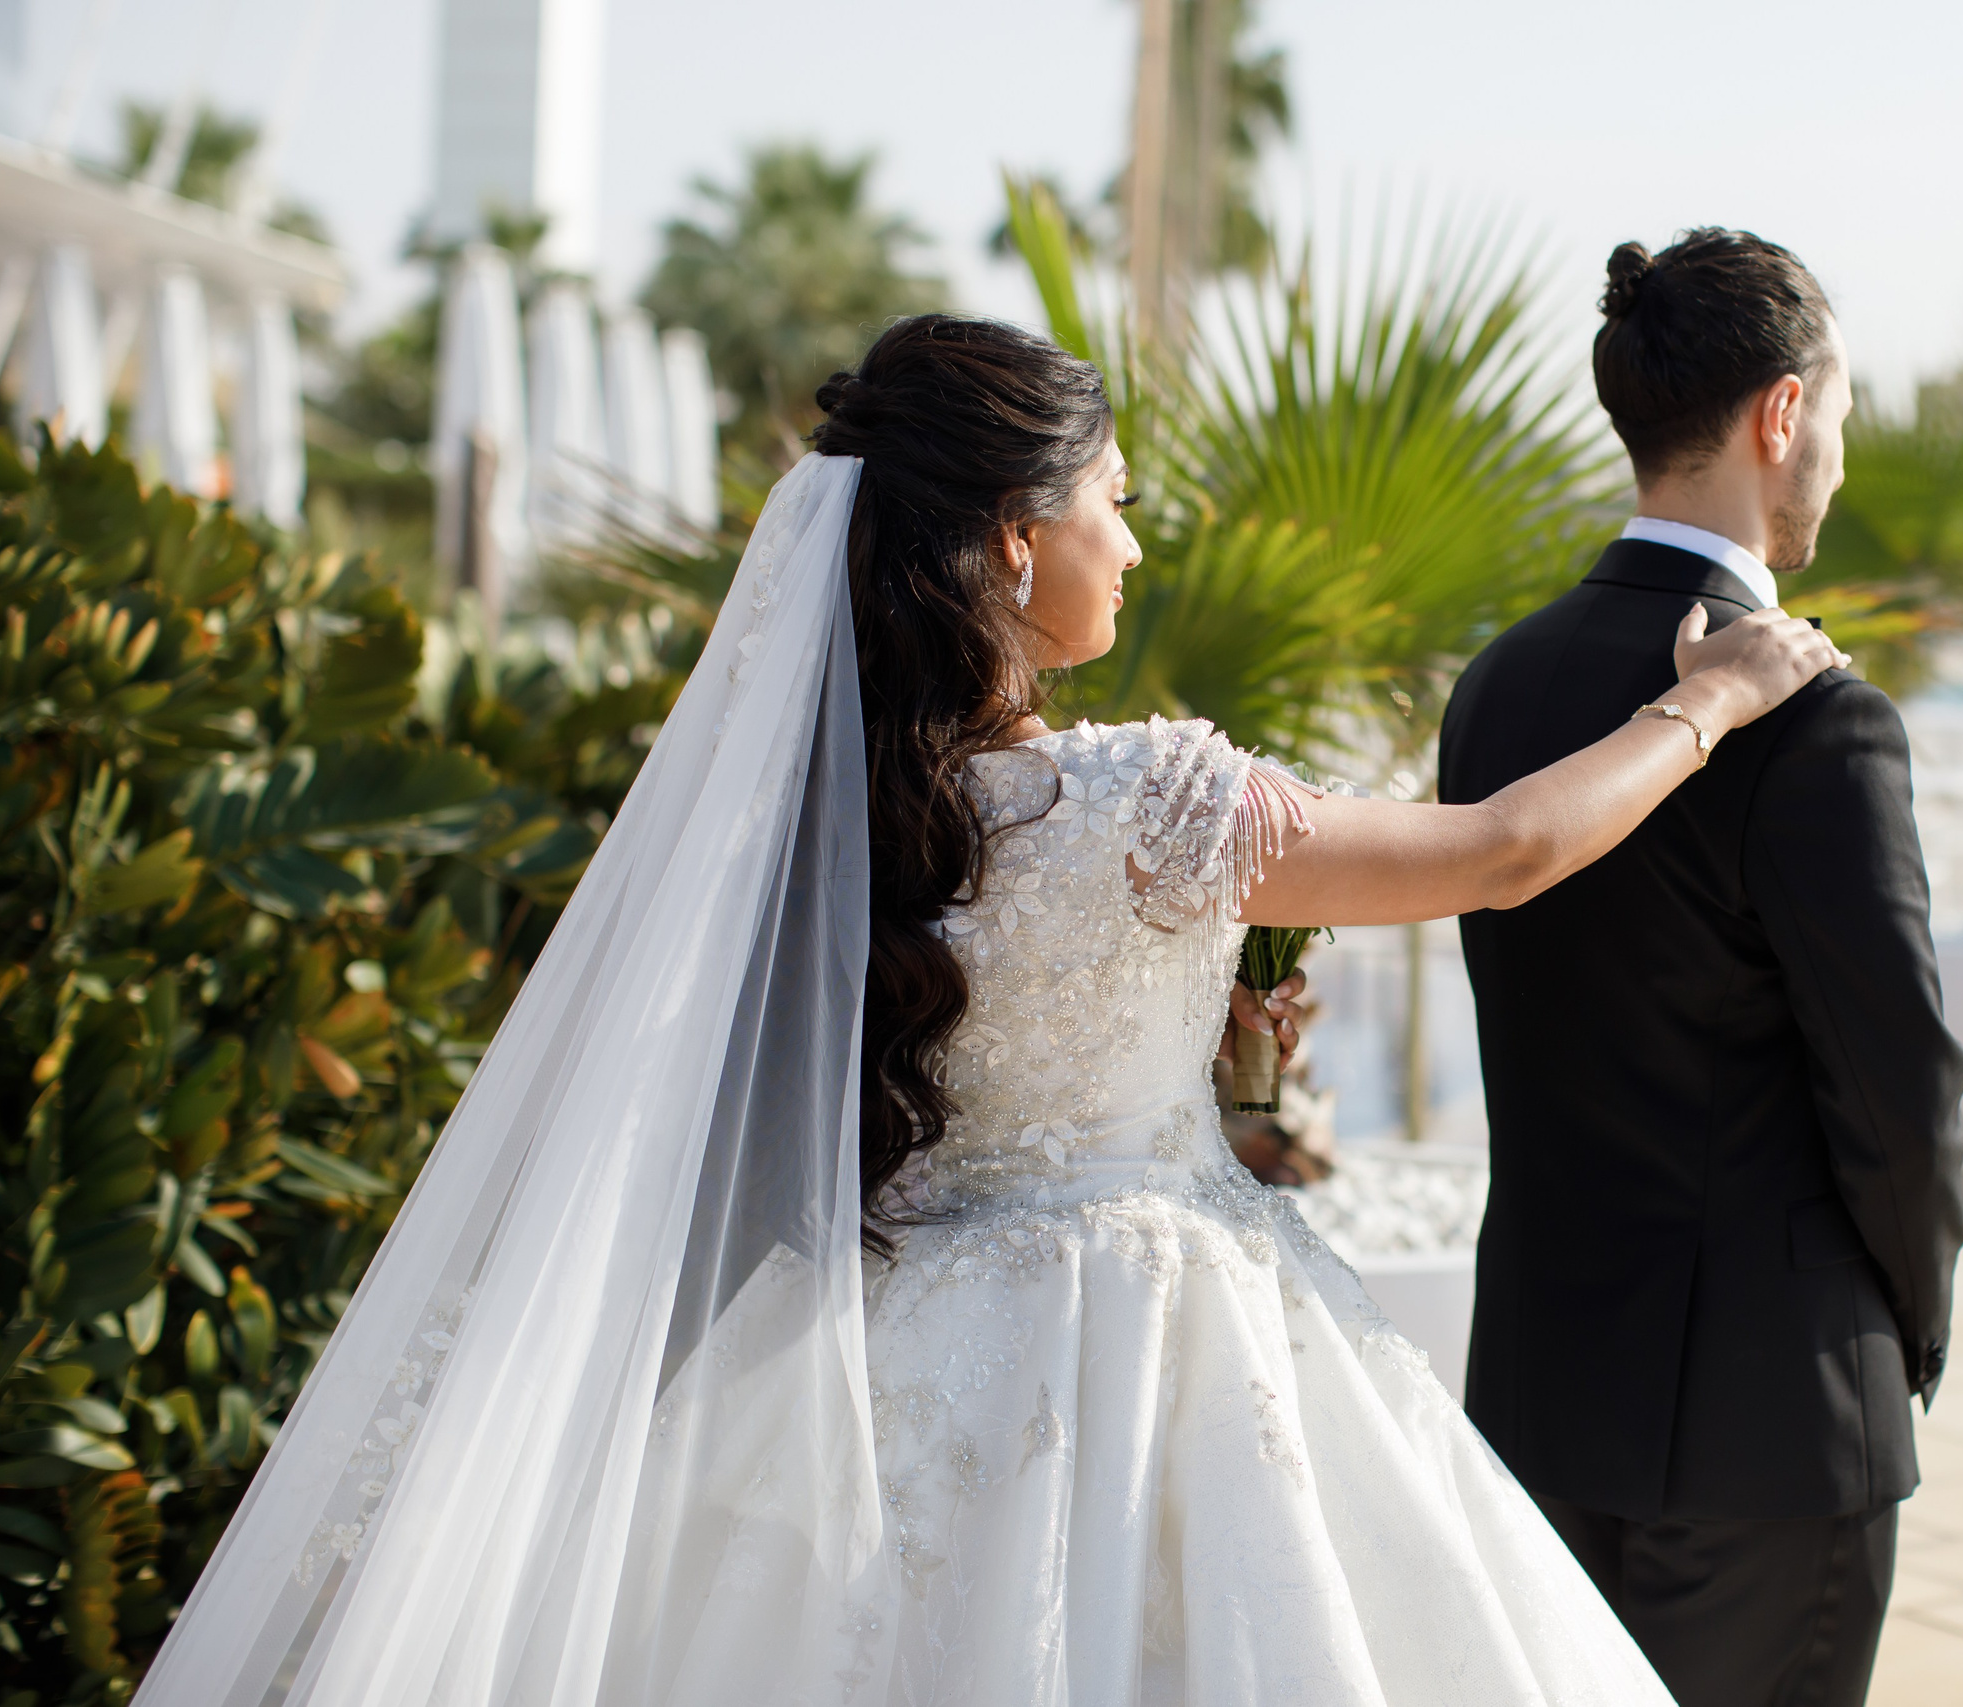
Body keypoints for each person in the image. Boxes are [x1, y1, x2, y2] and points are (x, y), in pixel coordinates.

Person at [135, 312, 1839, 1707]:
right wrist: (1714, 701)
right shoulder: (1152, 803)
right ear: (1020, 543)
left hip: (886, 1375)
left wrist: (1215, 1064)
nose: (1138, 536)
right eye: (1113, 498)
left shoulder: (837, 829)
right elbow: (1503, 850)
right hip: (1167, 1351)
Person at [1439, 229, 1963, 1707]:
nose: (1841, 464)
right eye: (1844, 421)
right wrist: (1910, 1330)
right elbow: (1901, 1091)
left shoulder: (1499, 688)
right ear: (1782, 414)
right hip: (1772, 1434)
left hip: (1543, 1398)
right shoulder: (1814, 712)